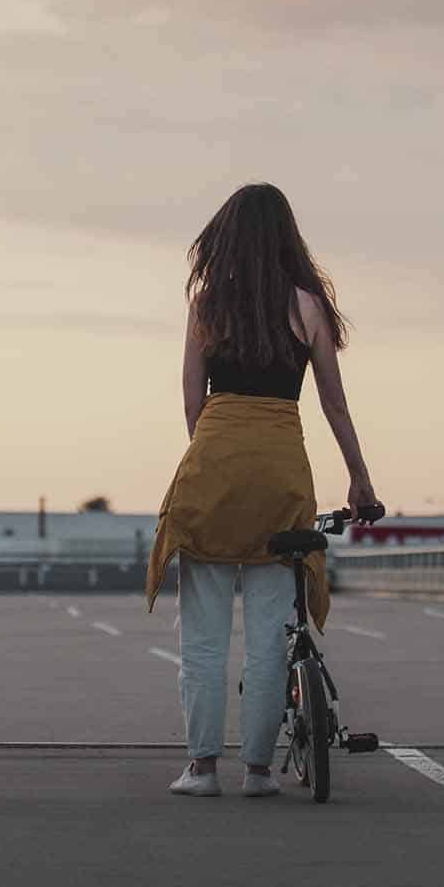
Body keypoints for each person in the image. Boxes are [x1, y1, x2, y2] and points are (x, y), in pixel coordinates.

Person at [146, 183, 378, 798]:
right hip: (282, 472)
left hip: (214, 468)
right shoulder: (307, 306)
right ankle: (257, 771)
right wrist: (359, 477)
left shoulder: (207, 304)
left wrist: (219, 459)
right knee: (271, 638)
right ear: (286, 237)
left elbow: (193, 404)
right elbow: (333, 403)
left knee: (203, 638)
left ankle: (202, 770)